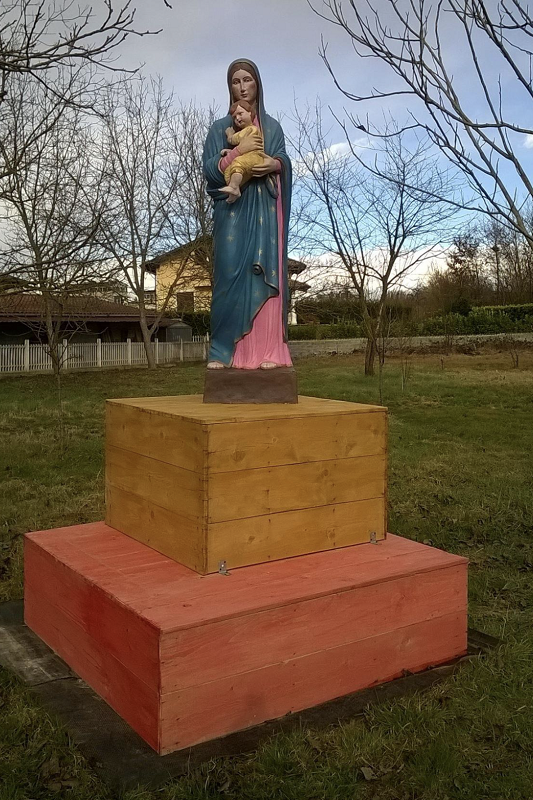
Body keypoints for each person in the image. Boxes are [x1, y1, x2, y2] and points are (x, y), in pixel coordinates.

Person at [203, 59, 293, 370]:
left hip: (264, 211)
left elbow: (282, 160)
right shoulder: (220, 128)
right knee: (228, 273)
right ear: (229, 87)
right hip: (232, 210)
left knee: (262, 269)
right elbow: (209, 171)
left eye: (248, 80)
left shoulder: (272, 127)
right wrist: (239, 153)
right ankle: (223, 352)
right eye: (236, 81)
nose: (242, 87)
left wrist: (275, 165)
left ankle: (268, 351)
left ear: (257, 84)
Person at [220, 100, 266, 203]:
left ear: (250, 113)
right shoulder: (246, 131)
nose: (237, 118)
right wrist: (231, 151)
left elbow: (234, 140)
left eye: (240, 114)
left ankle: (234, 188)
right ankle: (234, 191)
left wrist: (229, 135)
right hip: (249, 157)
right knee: (228, 171)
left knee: (238, 162)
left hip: (255, 157)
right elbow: (243, 147)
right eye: (234, 117)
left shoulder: (251, 129)